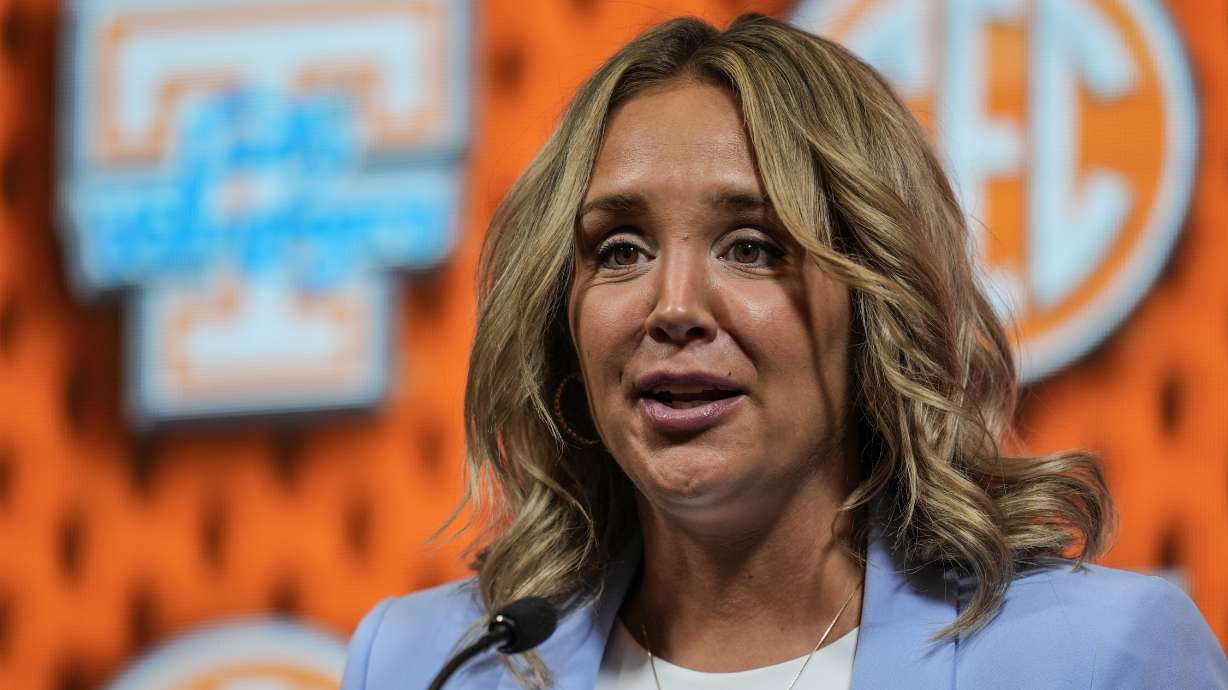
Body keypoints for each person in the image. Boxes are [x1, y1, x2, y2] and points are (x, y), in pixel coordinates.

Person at [341, 14, 1228, 690]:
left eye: (754, 246)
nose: (674, 307)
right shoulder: (431, 665)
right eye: (620, 251)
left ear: (877, 302)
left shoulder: (1095, 658)